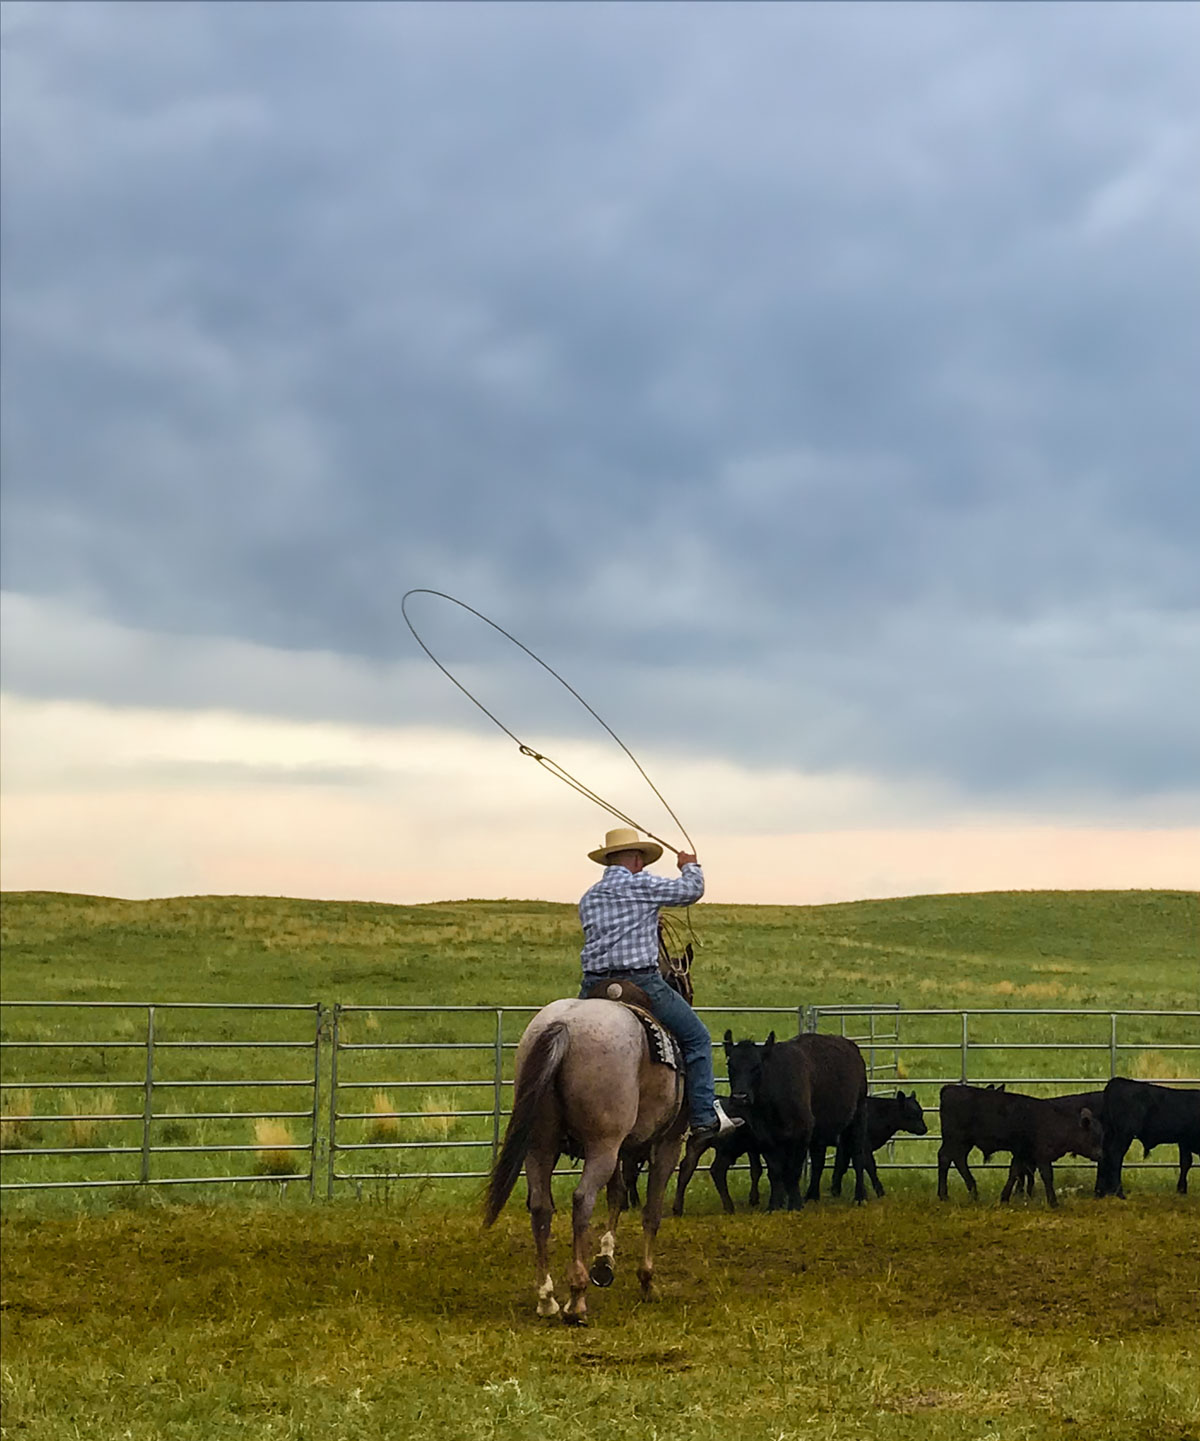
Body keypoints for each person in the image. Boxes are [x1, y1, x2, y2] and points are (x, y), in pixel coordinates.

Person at [578, 826, 743, 1145]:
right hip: (639, 980)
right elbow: (691, 891)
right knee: (697, 1039)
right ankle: (703, 1118)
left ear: (608, 860)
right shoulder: (642, 885)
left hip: (594, 984)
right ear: (638, 860)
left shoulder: (589, 897)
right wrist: (689, 865)